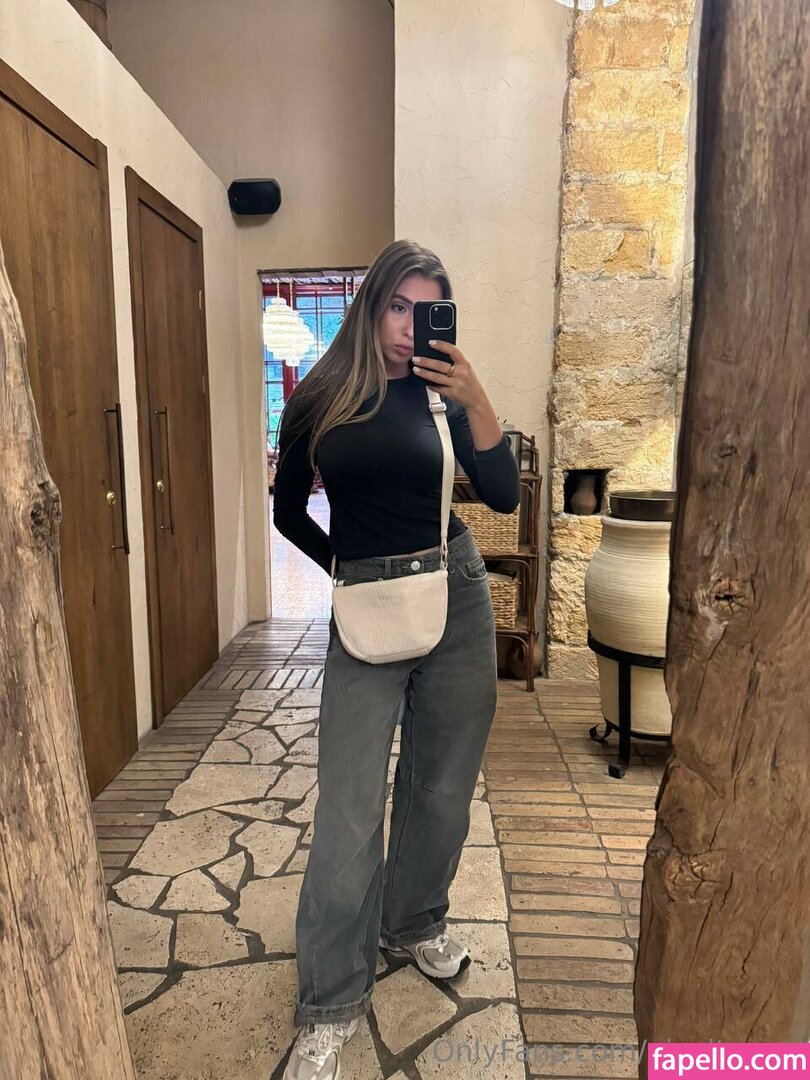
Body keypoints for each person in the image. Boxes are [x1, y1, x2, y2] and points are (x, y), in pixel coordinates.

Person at [273, 239, 520, 1080]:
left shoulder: (444, 393)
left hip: (455, 591)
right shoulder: (320, 397)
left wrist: (476, 395)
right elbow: (289, 512)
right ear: (372, 305)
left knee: (442, 786)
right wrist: (345, 574)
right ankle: (330, 1000)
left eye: (427, 309)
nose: (411, 327)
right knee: (348, 810)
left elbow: (502, 495)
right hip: (366, 607)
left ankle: (413, 923)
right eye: (398, 306)